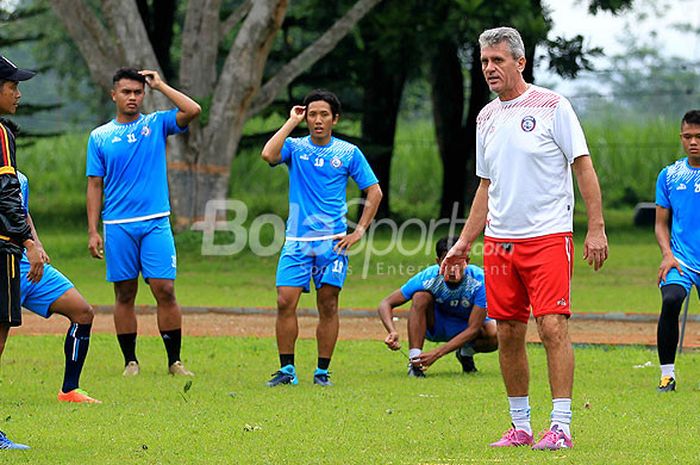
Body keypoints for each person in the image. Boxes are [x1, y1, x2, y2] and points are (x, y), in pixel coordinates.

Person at [440, 27, 608, 450]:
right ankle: (520, 426)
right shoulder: (485, 117)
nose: (489, 69)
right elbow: (485, 187)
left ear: (520, 62)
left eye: (497, 60)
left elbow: (583, 167)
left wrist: (597, 226)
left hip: (548, 236)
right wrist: (463, 242)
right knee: (510, 333)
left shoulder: (553, 106)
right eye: (483, 62)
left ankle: (562, 426)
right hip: (500, 243)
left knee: (552, 327)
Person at [261, 89, 382, 387]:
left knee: (327, 305)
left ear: (334, 119)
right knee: (284, 301)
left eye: (324, 115)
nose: (317, 120)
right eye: (312, 114)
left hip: (333, 242)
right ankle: (287, 370)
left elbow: (374, 191)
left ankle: (322, 372)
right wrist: (291, 121)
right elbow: (268, 154)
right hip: (296, 241)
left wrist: (359, 231)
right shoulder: (295, 147)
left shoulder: (348, 152)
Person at [86, 68, 200, 377]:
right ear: (114, 95)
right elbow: (95, 184)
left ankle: (174, 361)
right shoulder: (100, 136)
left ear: (144, 94)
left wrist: (161, 85)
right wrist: (94, 230)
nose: (132, 97)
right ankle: (130, 362)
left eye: (138, 92)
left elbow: (192, 110)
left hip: (155, 222)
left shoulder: (156, 124)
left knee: (164, 289)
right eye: (126, 92)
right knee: (124, 293)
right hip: (119, 225)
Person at [18, 171, 99, 403]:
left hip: (30, 263)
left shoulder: (21, 177)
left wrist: (37, 245)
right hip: (6, 263)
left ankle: (69, 390)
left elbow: (23, 213)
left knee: (82, 312)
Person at [0, 54, 43, 451]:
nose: (18, 92)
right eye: (13, 85)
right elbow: (7, 192)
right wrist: (27, 240)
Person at [378, 237, 497, 377]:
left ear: (467, 262)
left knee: (495, 333)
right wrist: (392, 331)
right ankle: (415, 363)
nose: (452, 270)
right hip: (435, 326)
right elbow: (386, 303)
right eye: (447, 263)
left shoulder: (479, 281)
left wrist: (437, 353)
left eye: (458, 263)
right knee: (420, 296)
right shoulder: (429, 277)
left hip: (466, 328)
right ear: (438, 262)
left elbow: (473, 328)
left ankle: (465, 353)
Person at [654, 109, 700, 393]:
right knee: (670, 300)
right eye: (688, 136)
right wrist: (667, 254)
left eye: (699, 136)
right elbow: (661, 224)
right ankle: (666, 375)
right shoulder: (669, 175)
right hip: (680, 258)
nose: (693, 142)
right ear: (681, 138)